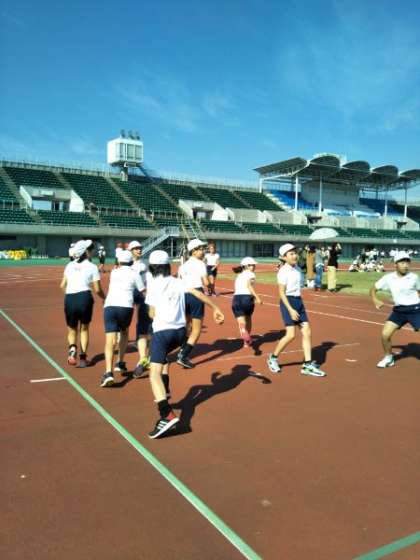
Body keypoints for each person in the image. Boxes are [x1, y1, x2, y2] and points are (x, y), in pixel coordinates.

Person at [145, 250, 224, 439]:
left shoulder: (153, 285)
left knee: (153, 372)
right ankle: (165, 389)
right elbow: (197, 293)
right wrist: (216, 308)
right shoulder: (177, 282)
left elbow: (152, 314)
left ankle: (166, 414)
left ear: (152, 268)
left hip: (162, 332)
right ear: (168, 266)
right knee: (164, 359)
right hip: (180, 333)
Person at [266, 243, 326, 377]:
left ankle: (307, 365)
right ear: (284, 257)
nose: (295, 256)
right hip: (288, 302)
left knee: (307, 332)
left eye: (295, 253)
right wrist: (291, 310)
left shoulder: (298, 268)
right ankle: (273, 358)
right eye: (291, 254)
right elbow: (281, 293)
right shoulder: (283, 271)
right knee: (291, 335)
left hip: (298, 301)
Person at [100, 250, 146, 387]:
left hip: (110, 306)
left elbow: (117, 267)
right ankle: (120, 362)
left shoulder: (114, 272)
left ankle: (108, 372)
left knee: (110, 340)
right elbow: (142, 291)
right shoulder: (135, 273)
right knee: (124, 332)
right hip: (126, 307)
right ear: (131, 261)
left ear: (119, 261)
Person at [370, 251, 420, 368]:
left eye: (407, 262)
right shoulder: (388, 278)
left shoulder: (414, 277)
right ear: (395, 264)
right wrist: (375, 300)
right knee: (385, 335)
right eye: (402, 263)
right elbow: (373, 289)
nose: (405, 265)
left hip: (415, 310)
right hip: (398, 311)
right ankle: (388, 358)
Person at [60, 239, 105, 368]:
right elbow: (97, 289)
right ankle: (83, 358)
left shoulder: (69, 265)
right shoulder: (92, 267)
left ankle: (72, 349)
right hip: (84, 297)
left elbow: (62, 285)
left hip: (70, 298)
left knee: (72, 328)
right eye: (90, 249)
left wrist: (70, 295)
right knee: (84, 329)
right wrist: (105, 298)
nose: (92, 251)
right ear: (86, 252)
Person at [176, 239, 209, 368]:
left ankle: (182, 349)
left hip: (183, 295)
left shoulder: (183, 266)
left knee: (187, 325)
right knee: (196, 329)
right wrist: (210, 285)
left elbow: (179, 281)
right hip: (196, 294)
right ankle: (183, 355)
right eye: (201, 249)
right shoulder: (200, 264)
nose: (203, 251)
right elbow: (206, 283)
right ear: (193, 251)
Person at [128, 240, 152, 378]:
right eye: (136, 248)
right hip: (130, 292)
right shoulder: (126, 263)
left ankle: (144, 357)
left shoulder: (144, 263)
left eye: (140, 248)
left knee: (143, 323)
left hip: (142, 293)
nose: (139, 250)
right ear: (131, 251)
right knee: (126, 321)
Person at [231, 257, 262, 348]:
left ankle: (243, 330)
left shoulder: (239, 275)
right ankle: (246, 342)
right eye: (252, 265)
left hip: (236, 299)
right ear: (246, 266)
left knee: (241, 322)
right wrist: (257, 297)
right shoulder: (251, 274)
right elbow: (249, 286)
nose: (254, 266)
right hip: (247, 298)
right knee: (248, 318)